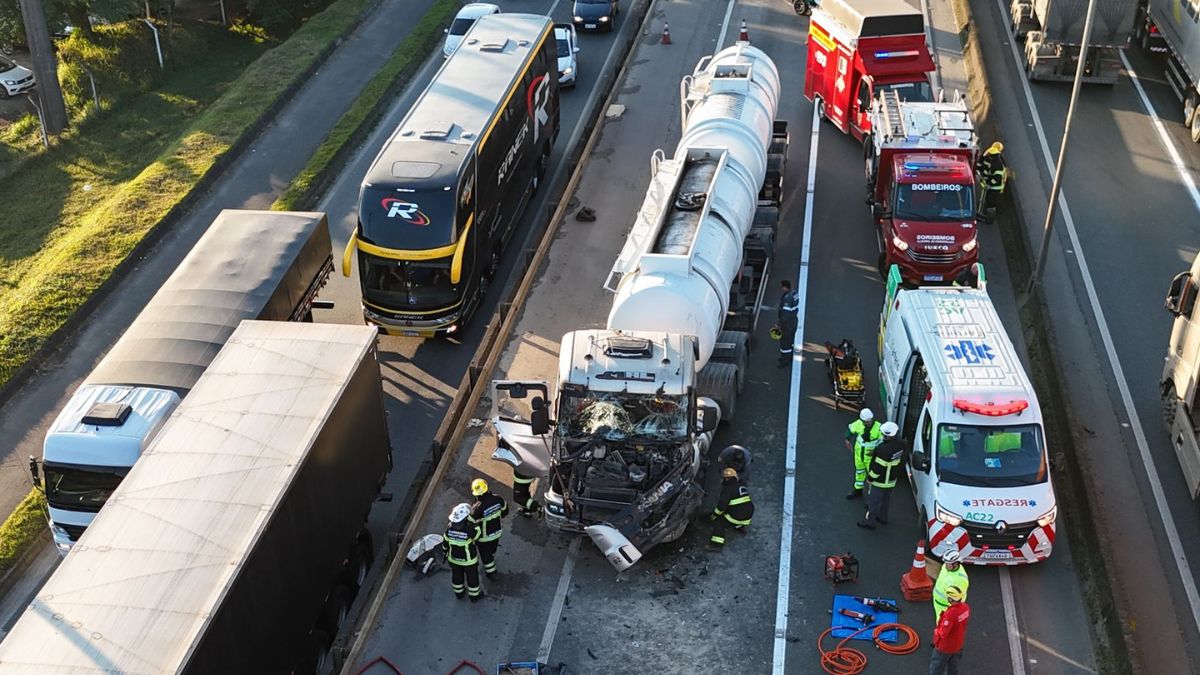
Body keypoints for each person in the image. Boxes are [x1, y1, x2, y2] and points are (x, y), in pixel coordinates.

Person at [858, 421, 903, 529]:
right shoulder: (900, 445)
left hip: (880, 482)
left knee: (873, 502)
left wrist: (870, 478)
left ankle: (869, 522)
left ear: (887, 435)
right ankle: (883, 518)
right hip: (891, 480)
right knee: (886, 500)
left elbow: (878, 468)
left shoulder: (883, 449)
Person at [443, 503, 483, 602]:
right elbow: (477, 535)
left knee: (457, 576)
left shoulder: (449, 527)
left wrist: (445, 551)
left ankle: (459, 593)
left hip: (454, 559)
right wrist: (474, 524)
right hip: (469, 561)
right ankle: (474, 596)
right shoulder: (469, 528)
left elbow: (445, 542)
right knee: (472, 578)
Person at [469, 478, 509, 578]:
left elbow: (470, 523)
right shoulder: (498, 499)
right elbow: (505, 511)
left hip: (483, 537)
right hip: (497, 532)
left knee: (485, 555)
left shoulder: (477, 507)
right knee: (492, 549)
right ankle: (491, 557)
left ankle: (491, 572)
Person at [929, 585, 971, 675]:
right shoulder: (965, 608)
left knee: (937, 667)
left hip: (945, 647)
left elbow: (943, 633)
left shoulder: (951, 614)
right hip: (958, 644)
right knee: (953, 667)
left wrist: (936, 631)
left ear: (951, 599)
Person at [709, 467, 754, 549]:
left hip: (738, 516)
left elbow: (722, 507)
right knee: (736, 509)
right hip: (748, 515)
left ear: (726, 479)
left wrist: (714, 515)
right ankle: (739, 527)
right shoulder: (741, 486)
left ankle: (716, 545)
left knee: (719, 523)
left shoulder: (727, 489)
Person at [844, 408, 883, 500]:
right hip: (859, 455)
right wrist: (847, 439)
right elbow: (850, 429)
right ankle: (858, 490)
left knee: (872, 476)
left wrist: (876, 452)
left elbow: (883, 442)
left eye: (869, 421)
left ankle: (872, 497)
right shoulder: (858, 423)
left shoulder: (878, 427)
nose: (868, 423)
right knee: (859, 472)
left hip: (871, 457)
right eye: (866, 422)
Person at [932, 548, 970, 621]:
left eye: (948, 563)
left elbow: (959, 599)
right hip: (938, 603)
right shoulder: (946, 567)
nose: (946, 565)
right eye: (945, 562)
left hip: (946, 607)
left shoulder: (960, 580)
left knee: (943, 627)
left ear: (956, 563)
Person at [976, 141, 1008, 224]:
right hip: (989, 182)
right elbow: (981, 164)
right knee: (987, 198)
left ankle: (990, 218)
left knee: (991, 201)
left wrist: (989, 183)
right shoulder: (991, 156)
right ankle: (985, 211)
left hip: (995, 187)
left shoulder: (998, 164)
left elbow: (997, 178)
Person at [776, 280, 799, 367]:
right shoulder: (794, 293)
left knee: (785, 343)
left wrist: (779, 324)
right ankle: (789, 357)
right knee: (790, 341)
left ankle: (785, 361)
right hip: (793, 321)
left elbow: (785, 314)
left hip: (787, 324)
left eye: (782, 287)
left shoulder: (787, 298)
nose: (781, 289)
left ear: (785, 287)